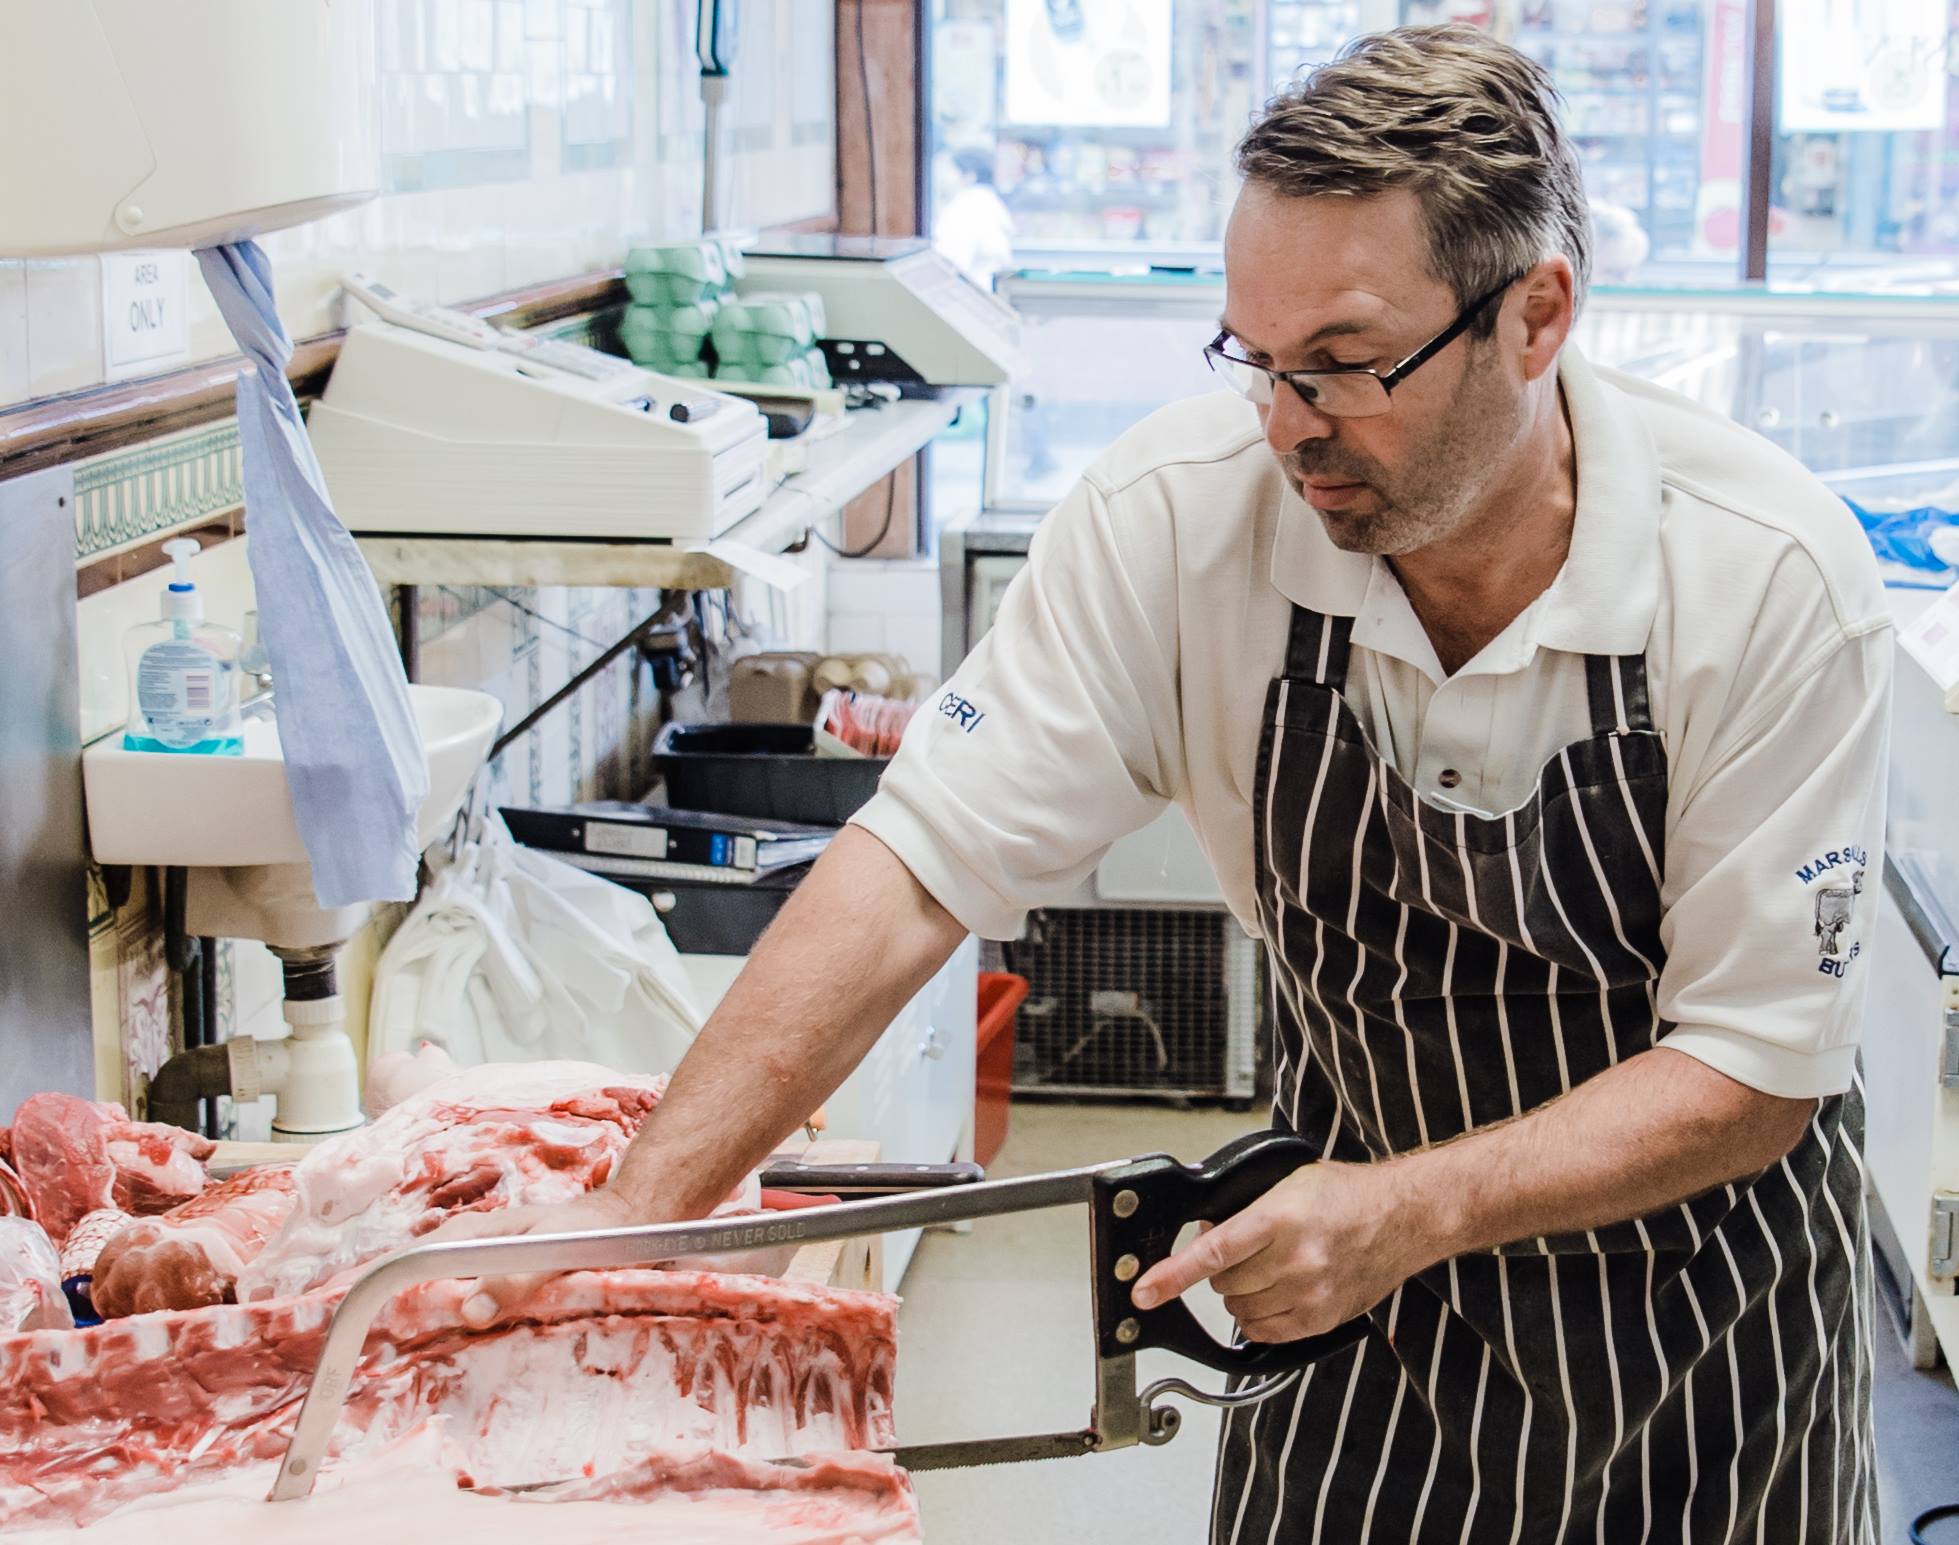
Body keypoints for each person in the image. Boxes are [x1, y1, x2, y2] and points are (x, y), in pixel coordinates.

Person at [444, 26, 1890, 1542]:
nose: (1284, 424)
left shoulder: (1758, 576)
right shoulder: (1178, 523)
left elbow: (1746, 1072)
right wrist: (640, 1216)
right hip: (1340, 1314)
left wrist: (1407, 1210)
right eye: (1252, 361)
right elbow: (915, 863)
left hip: (1697, 1335)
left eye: (1341, 364)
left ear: (1534, 318)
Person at [933, 146, 1016, 289]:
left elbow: (951, 264)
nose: (946, 177)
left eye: (951, 171)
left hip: (968, 293)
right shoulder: (989, 202)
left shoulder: (966, 207)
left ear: (969, 175)